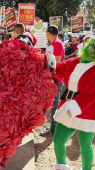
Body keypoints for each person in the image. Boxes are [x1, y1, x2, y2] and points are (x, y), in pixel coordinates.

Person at [49, 35, 95, 170]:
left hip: (88, 111)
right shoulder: (75, 61)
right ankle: (61, 165)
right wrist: (49, 61)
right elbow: (58, 69)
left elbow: (91, 94)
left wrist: (74, 106)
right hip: (67, 106)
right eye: (92, 45)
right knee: (58, 140)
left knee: (85, 145)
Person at [40, 26, 64, 136]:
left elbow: (57, 62)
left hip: (56, 78)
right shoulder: (55, 43)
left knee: (55, 103)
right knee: (53, 103)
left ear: (49, 33)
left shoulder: (57, 43)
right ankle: (53, 128)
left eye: (46, 33)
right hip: (54, 78)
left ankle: (54, 130)